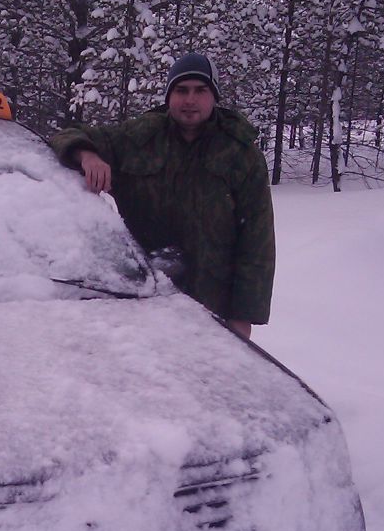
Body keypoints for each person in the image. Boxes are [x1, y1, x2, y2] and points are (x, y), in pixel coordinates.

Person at [49, 53, 274, 340]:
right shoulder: (139, 138)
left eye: (200, 90)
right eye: (181, 91)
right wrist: (88, 154)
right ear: (169, 96)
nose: (190, 100)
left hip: (210, 305)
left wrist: (243, 317)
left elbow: (257, 242)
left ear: (214, 96)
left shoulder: (241, 154)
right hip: (140, 300)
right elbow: (67, 135)